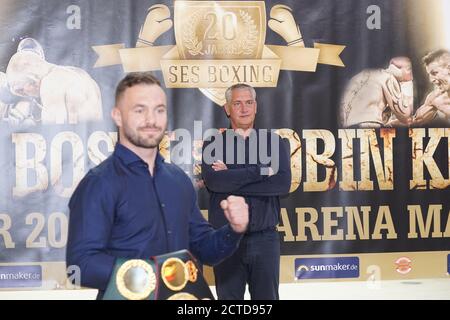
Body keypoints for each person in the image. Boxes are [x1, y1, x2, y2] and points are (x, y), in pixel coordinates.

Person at [66, 72, 249, 299]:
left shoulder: (178, 180)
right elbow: (79, 266)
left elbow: (204, 249)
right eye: (139, 110)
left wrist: (233, 230)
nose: (151, 119)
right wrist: (151, 276)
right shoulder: (99, 183)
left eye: (159, 110)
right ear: (118, 116)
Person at [201, 83, 291, 300]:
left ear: (256, 106)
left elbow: (281, 184)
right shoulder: (213, 144)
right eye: (237, 103)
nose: (244, 108)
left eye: (249, 102)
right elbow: (215, 183)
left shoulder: (274, 142)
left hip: (265, 239)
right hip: (226, 239)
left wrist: (231, 173)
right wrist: (262, 171)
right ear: (227, 108)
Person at [5, 38, 102, 124]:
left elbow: (53, 133)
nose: (25, 95)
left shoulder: (50, 83)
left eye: (20, 90)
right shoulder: (82, 75)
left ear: (32, 81)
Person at [340, 56, 414, 128]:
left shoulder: (355, 79)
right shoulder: (387, 77)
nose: (410, 76)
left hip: (348, 131)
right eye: (409, 69)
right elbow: (405, 115)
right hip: (369, 126)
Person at [412, 49, 450, 125]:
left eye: (434, 73)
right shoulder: (435, 97)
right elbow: (416, 121)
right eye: (429, 75)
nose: (431, 80)